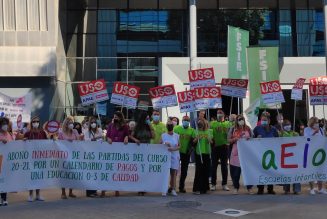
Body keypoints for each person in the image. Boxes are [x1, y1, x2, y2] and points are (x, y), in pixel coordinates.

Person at [24, 116, 48, 202]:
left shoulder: (43, 133)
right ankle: (30, 195)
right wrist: (24, 140)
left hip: (40, 158)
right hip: (31, 158)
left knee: (39, 176)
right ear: (31, 123)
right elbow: (23, 143)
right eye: (34, 121)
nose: (36, 123)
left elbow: (47, 143)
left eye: (37, 121)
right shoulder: (28, 133)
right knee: (31, 176)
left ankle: (38, 194)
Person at [228, 114, 253, 195]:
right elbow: (228, 140)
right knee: (236, 173)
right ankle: (236, 187)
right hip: (236, 153)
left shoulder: (248, 128)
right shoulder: (233, 129)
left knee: (248, 171)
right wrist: (234, 139)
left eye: (242, 119)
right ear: (236, 121)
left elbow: (253, 138)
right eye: (239, 119)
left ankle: (249, 188)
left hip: (246, 153)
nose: (241, 121)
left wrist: (250, 139)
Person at [253, 113, 278, 195]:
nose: (263, 121)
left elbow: (279, 140)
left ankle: (270, 188)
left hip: (271, 153)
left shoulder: (273, 129)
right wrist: (256, 138)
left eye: (265, 120)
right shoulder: (257, 129)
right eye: (262, 120)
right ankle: (260, 188)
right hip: (260, 153)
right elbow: (251, 140)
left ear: (269, 121)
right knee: (260, 170)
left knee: (270, 170)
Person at [130, 112, 154, 196]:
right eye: (147, 118)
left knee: (146, 169)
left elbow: (153, 136)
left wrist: (150, 126)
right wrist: (135, 140)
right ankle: (140, 188)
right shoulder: (137, 126)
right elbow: (131, 136)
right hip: (139, 150)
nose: (148, 120)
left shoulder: (149, 126)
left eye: (149, 119)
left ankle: (145, 186)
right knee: (140, 169)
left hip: (147, 150)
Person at [106, 111, 129, 197]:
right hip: (111, 150)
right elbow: (107, 136)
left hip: (120, 151)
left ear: (120, 118)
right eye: (114, 117)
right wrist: (108, 139)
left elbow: (127, 135)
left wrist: (126, 138)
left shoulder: (125, 126)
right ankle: (104, 190)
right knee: (110, 170)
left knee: (118, 171)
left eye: (117, 117)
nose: (115, 118)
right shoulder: (110, 126)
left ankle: (117, 189)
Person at [58, 116, 80, 199]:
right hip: (64, 156)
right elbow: (59, 144)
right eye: (70, 123)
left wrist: (76, 138)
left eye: (72, 123)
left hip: (73, 156)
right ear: (66, 124)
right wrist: (66, 142)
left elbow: (78, 141)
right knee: (64, 174)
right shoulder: (61, 132)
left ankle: (71, 191)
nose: (72, 124)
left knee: (72, 174)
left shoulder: (75, 131)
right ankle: (63, 192)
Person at [304, 117, 327, 195]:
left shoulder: (320, 129)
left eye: (318, 122)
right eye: (315, 122)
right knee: (311, 170)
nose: (317, 123)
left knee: (320, 170)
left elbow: (323, 139)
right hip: (310, 152)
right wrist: (314, 133)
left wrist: (324, 132)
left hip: (319, 152)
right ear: (311, 123)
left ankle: (320, 188)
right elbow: (306, 139)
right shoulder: (306, 129)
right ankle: (312, 188)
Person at [209, 109, 231, 191]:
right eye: (218, 113)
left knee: (224, 167)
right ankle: (213, 184)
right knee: (213, 166)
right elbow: (209, 134)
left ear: (224, 115)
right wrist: (211, 141)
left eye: (221, 113)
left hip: (225, 147)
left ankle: (224, 184)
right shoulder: (212, 123)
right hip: (215, 147)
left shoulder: (228, 124)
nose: (219, 114)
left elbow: (231, 134)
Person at [174, 115, 194, 193]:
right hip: (177, 152)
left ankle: (181, 186)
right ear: (182, 121)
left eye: (187, 120)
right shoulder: (176, 128)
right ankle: (172, 186)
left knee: (184, 171)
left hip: (186, 153)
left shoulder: (192, 130)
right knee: (174, 170)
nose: (186, 121)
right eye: (184, 120)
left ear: (189, 122)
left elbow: (193, 142)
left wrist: (191, 147)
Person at [280, 119, 301, 195]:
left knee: (296, 172)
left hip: (294, 156)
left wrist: (297, 136)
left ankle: (296, 189)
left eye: (288, 124)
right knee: (286, 173)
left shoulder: (295, 133)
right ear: (282, 126)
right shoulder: (281, 133)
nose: (287, 126)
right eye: (285, 125)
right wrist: (281, 135)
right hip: (285, 157)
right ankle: (286, 189)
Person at [192, 118, 212, 195]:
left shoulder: (209, 131)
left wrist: (209, 140)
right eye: (199, 123)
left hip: (206, 153)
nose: (200, 124)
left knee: (206, 171)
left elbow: (212, 142)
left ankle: (205, 188)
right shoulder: (195, 131)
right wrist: (196, 139)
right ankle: (197, 188)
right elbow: (193, 143)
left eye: (201, 123)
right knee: (199, 171)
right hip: (198, 153)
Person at [84, 117, 103, 197]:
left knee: (96, 173)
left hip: (98, 154)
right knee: (90, 173)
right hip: (89, 154)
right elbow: (86, 140)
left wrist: (98, 139)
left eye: (94, 122)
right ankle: (89, 192)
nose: (93, 124)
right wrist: (94, 139)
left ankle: (94, 190)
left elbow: (101, 140)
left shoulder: (100, 130)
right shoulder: (86, 131)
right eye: (91, 122)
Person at [161, 120, 180, 196]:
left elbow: (179, 146)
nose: (169, 126)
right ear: (166, 126)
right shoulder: (163, 135)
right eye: (168, 125)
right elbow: (159, 144)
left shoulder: (177, 135)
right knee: (165, 173)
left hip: (174, 156)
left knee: (173, 174)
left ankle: (173, 189)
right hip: (165, 157)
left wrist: (173, 149)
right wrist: (165, 143)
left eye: (171, 125)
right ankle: (164, 189)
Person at [0, 117, 13, 206]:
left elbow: (13, 144)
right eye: (3, 123)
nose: (5, 125)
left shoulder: (9, 134)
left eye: (6, 123)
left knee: (4, 179)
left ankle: (4, 198)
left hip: (6, 160)